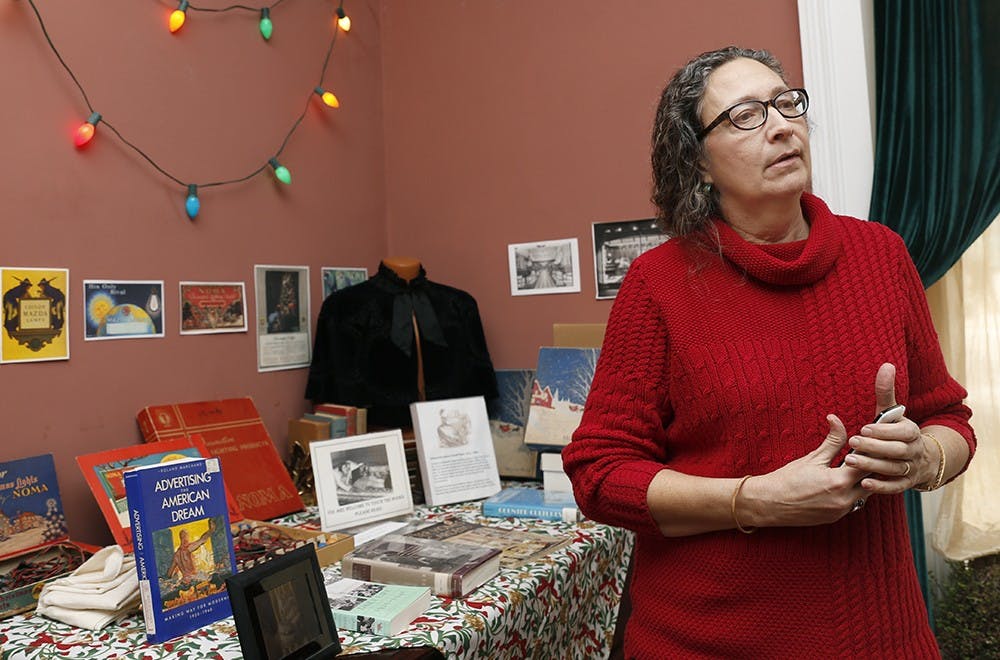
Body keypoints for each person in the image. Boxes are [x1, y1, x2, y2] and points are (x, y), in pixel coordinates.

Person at [562, 46, 976, 659]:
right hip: (705, 642)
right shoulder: (658, 284)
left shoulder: (883, 255)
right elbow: (599, 473)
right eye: (744, 115)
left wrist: (922, 459)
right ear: (698, 164)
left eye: (787, 103)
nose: (782, 125)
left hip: (882, 640)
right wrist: (754, 500)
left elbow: (950, 420)